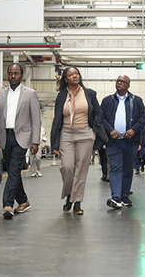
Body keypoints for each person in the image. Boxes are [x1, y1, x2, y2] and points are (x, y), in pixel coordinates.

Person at [51, 66, 104, 216]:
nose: (74, 76)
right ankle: (69, 194)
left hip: (85, 134)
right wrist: (54, 143)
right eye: (70, 74)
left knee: (81, 168)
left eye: (76, 73)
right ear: (66, 79)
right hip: (67, 134)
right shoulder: (61, 96)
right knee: (67, 167)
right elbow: (57, 119)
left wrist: (94, 130)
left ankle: (77, 201)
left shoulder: (89, 93)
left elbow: (98, 113)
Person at [0, 63, 41, 220]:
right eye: (11, 73)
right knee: (13, 171)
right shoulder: (0, 95)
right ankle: (23, 201)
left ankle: (7, 204)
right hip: (5, 137)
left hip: (22, 137)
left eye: (16, 73)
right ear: (7, 75)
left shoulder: (30, 94)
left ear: (21, 76)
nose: (13, 76)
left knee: (14, 169)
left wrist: (35, 141)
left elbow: (36, 119)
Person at [101, 75, 145, 209]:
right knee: (115, 167)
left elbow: (144, 118)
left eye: (122, 82)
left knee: (127, 169)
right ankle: (115, 197)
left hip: (130, 142)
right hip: (113, 142)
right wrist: (110, 130)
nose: (119, 83)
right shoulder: (107, 100)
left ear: (128, 85)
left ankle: (125, 195)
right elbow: (101, 118)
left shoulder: (136, 100)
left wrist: (133, 130)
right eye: (117, 81)